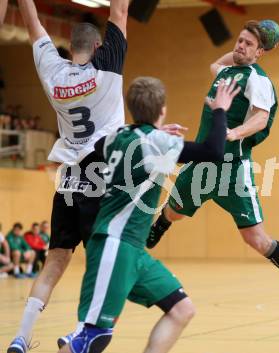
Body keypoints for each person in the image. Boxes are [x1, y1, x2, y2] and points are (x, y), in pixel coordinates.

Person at [58, 77, 240, 353]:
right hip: (115, 245)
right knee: (93, 338)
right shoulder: (153, 141)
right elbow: (213, 150)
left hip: (133, 250)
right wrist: (220, 109)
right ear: (162, 109)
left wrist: (154, 135)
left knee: (181, 310)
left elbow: (112, 151)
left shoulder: (116, 137)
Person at [146, 20, 279, 316]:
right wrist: (240, 49)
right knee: (174, 212)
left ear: (262, 51)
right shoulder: (225, 72)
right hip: (201, 163)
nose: (240, 46)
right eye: (239, 40)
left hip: (232, 169)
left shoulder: (257, 79)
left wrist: (236, 133)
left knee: (255, 239)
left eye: (249, 44)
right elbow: (216, 63)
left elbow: (261, 118)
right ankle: (161, 223)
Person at [7, 1, 130, 352]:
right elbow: (119, 12)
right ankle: (81, 331)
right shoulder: (106, 69)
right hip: (100, 177)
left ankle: (20, 336)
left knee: (55, 260)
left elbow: (33, 26)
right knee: (99, 261)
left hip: (68, 181)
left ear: (71, 47)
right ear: (96, 47)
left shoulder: (52, 72)